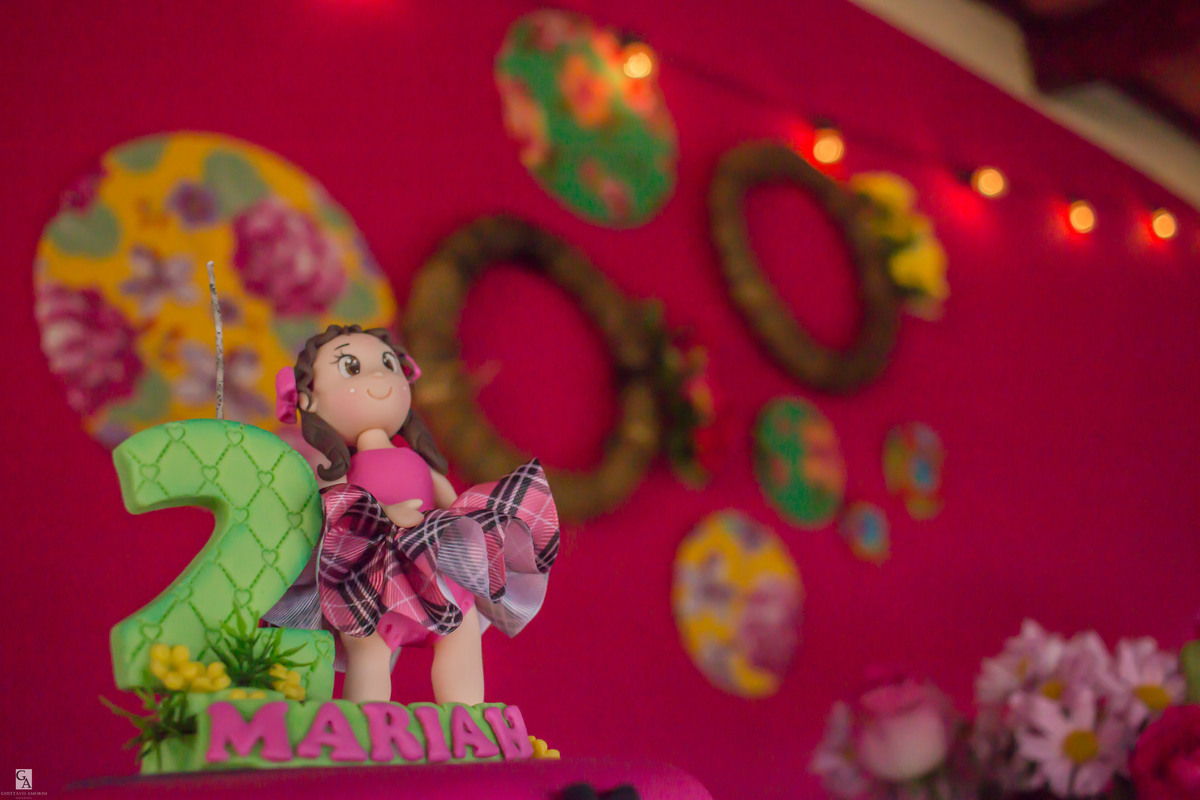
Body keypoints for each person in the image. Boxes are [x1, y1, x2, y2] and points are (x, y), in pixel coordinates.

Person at [265, 324, 558, 704]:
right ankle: (367, 722)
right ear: (308, 400)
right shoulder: (337, 474)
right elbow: (337, 511)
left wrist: (470, 525)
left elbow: (455, 503)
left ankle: (467, 717)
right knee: (369, 654)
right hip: (371, 583)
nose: (379, 376)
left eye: (388, 364)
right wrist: (383, 512)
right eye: (352, 368)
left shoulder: (418, 462)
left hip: (437, 574)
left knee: (462, 631)